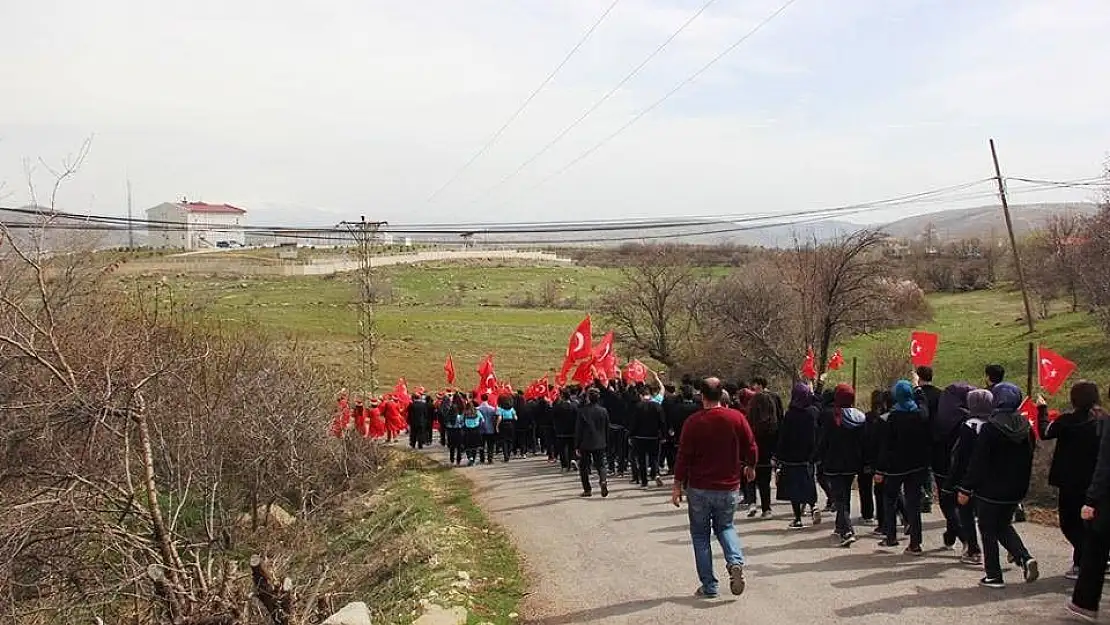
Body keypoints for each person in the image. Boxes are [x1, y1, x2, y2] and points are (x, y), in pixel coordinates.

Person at [672, 377, 757, 599]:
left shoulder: (693, 422)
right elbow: (751, 445)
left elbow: (683, 456)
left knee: (701, 536)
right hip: (728, 485)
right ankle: (735, 561)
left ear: (702, 396)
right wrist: (750, 465)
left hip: (699, 487)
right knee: (726, 527)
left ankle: (709, 586)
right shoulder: (736, 418)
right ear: (721, 395)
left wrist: (677, 484)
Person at [956, 382, 1038, 589]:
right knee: (1002, 524)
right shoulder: (1026, 427)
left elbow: (978, 461)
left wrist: (966, 487)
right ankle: (1024, 558)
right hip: (1016, 488)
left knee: (987, 528)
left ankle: (993, 574)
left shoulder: (991, 428)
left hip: (991, 488)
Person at [1037, 381, 1101, 580]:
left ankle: (1086, 561)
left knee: (1069, 523)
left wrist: (1042, 409)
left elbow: (1045, 432)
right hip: (1097, 480)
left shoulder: (1068, 421)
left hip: (1071, 481)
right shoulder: (1102, 420)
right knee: (1092, 521)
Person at [1068, 386, 1110, 621]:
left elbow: (1105, 466)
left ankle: (1084, 603)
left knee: (1095, 549)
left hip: (1105, 498)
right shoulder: (1102, 420)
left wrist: (1091, 500)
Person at [875, 380, 930, 554]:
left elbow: (886, 447)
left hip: (895, 467)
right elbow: (924, 404)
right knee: (914, 504)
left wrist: (880, 470)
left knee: (890, 500)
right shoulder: (920, 415)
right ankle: (915, 542)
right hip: (917, 465)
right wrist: (919, 389)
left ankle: (890, 535)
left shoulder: (891, 418)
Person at [945, 389, 991, 566]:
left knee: (966, 513)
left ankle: (973, 549)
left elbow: (960, 457)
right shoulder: (994, 424)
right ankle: (1011, 550)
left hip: (968, 478)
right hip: (990, 478)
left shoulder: (969, 426)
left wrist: (951, 482)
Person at [819, 384, 866, 546]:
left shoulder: (833, 417)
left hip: (833, 463)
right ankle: (839, 527)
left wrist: (816, 457)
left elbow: (824, 441)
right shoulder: (860, 417)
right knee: (844, 494)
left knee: (840, 498)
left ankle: (847, 531)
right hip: (852, 464)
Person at [932, 382, 976, 551]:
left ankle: (965, 539)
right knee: (962, 505)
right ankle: (951, 535)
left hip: (942, 466)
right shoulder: (972, 419)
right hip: (965, 469)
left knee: (948, 503)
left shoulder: (941, 416)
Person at [775, 383, 821, 530]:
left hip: (791, 457)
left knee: (794, 487)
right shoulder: (813, 412)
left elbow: (784, 436)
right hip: (809, 455)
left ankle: (798, 518)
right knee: (808, 481)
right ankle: (813, 506)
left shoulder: (790, 414)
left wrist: (778, 455)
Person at [746, 391, 779, 518]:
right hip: (767, 456)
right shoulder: (773, 424)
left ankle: (752, 503)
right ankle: (766, 508)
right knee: (765, 482)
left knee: (750, 479)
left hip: (751, 455)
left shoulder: (749, 422)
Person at [575, 388, 610, 498]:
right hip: (600, 441)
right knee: (601, 465)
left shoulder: (582, 411)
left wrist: (577, 445)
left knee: (584, 467)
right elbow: (607, 428)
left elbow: (578, 429)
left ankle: (587, 489)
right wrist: (607, 441)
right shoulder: (603, 411)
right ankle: (603, 481)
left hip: (585, 443)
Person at [916, 366, 942, 514]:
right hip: (936, 435)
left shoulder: (917, 394)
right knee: (935, 467)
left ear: (919, 378)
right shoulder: (940, 394)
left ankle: (925, 495)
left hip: (920, 435)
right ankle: (935, 494)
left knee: (923, 468)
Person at [629, 385, 666, 488]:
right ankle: (656, 474)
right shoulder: (657, 406)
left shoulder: (638, 406)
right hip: (654, 436)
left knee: (641, 460)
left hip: (640, 437)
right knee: (654, 458)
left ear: (641, 395)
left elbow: (634, 423)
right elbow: (662, 422)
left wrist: (631, 435)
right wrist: (663, 435)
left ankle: (644, 481)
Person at [553, 389, 579, 472]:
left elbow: (553, 417)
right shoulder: (574, 405)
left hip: (561, 431)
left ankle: (564, 465)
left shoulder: (558, 406)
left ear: (562, 396)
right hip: (572, 431)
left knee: (562, 449)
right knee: (572, 447)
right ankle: (572, 459)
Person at [462, 401, 484, 466]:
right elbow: (483, 420)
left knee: (467, 446)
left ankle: (470, 458)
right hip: (476, 430)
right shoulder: (477, 412)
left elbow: (461, 420)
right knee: (475, 446)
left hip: (467, 431)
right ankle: (473, 460)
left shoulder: (465, 413)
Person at [477, 394, 498, 464]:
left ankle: (482, 458)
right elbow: (494, 419)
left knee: (481, 445)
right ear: (487, 399)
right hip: (490, 429)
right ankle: (490, 458)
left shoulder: (478, 409)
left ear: (481, 399)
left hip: (481, 429)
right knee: (490, 445)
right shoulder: (492, 409)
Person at [496, 396, 517, 463]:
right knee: (510, 440)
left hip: (503, 425)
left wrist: (497, 426)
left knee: (504, 441)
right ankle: (509, 452)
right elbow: (516, 418)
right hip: (511, 424)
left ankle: (506, 456)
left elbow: (499, 418)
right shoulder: (512, 409)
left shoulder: (500, 409)